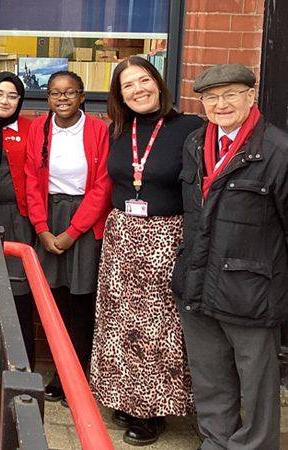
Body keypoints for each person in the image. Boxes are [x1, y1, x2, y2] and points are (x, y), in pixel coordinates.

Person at [173, 64, 288, 450]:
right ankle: (216, 442)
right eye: (211, 97)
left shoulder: (277, 150)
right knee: (210, 376)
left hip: (252, 291)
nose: (220, 104)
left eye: (231, 94)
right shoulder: (194, 144)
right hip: (199, 282)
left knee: (256, 384)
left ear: (251, 96)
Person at [89, 56, 204, 445]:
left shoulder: (190, 129)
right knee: (119, 323)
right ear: (119, 95)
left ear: (158, 82)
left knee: (158, 328)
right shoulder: (118, 130)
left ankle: (153, 409)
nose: (138, 90)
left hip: (165, 238)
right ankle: (125, 396)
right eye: (128, 85)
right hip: (122, 235)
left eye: (143, 80)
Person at [23, 70, 111, 405]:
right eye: (55, 93)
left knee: (81, 301)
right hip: (48, 216)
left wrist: (73, 232)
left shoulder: (97, 129)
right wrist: (42, 228)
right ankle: (60, 371)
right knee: (52, 302)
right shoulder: (39, 129)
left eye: (69, 92)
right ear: (47, 98)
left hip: (84, 222)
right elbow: (32, 178)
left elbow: (103, 185)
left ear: (82, 96)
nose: (62, 99)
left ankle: (78, 376)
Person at [0, 71, 35, 366]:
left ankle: (21, 359)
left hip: (17, 218)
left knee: (18, 290)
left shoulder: (29, 128)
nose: (4, 100)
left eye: (12, 95)